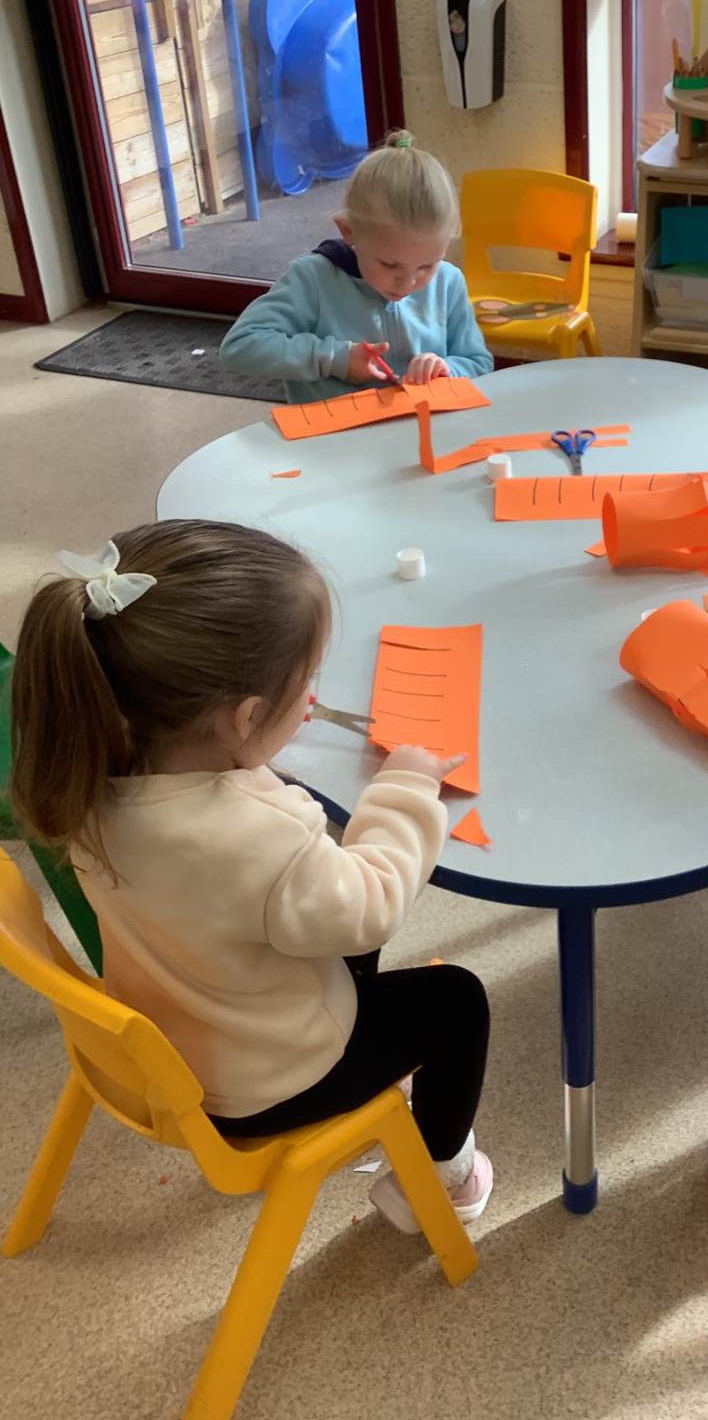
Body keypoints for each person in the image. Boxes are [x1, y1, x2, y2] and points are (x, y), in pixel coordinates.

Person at [8, 520, 493, 1231]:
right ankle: (443, 1178)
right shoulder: (260, 841)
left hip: (177, 1027)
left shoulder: (87, 770)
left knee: (336, 916)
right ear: (243, 718)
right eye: (305, 687)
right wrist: (405, 786)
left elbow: (240, 864)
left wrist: (259, 752)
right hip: (267, 1079)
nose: (312, 700)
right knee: (457, 1001)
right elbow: (375, 903)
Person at [221, 130, 493, 404]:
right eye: (389, 264)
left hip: (422, 424)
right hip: (335, 428)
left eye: (426, 266)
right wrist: (333, 358)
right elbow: (241, 346)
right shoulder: (312, 279)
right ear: (348, 231)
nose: (407, 283)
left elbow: (478, 362)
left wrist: (447, 370)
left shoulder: (448, 281)